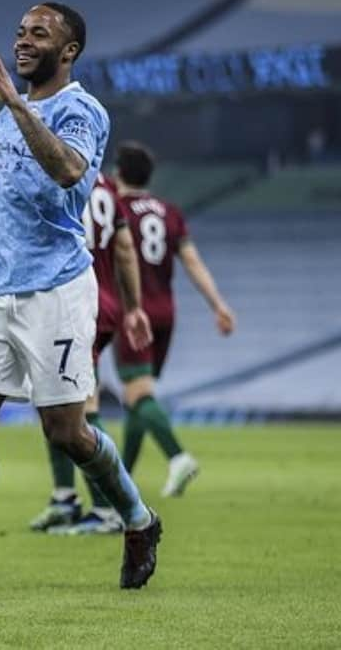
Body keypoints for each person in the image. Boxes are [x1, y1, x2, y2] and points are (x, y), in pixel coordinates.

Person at [0, 2, 161, 593]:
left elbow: (69, 170)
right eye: (19, 32)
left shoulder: (80, 110)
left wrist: (18, 107)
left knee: (66, 432)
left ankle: (139, 519)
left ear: (68, 52)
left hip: (57, 290)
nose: (22, 41)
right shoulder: (14, 115)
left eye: (38, 34)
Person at [31, 172, 152, 535]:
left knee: (81, 406)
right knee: (52, 399)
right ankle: (64, 497)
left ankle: (106, 510)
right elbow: (125, 248)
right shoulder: (108, 186)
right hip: (102, 300)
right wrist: (132, 306)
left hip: (70, 300)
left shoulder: (51, 172)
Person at [114, 141, 235, 496]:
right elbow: (192, 262)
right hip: (166, 310)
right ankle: (122, 480)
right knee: (137, 396)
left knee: (139, 394)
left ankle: (178, 457)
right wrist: (218, 304)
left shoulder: (116, 209)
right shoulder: (169, 212)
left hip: (134, 311)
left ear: (119, 173)